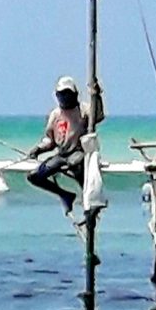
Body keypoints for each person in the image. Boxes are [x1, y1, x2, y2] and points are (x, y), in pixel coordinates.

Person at [25, 75, 103, 214]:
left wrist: (96, 95)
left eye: (67, 93)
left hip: (79, 152)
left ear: (75, 94)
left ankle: (88, 202)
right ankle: (64, 195)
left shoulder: (83, 109)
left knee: (75, 163)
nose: (64, 97)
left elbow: (98, 116)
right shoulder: (55, 115)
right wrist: (38, 149)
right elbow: (50, 141)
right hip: (61, 155)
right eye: (61, 94)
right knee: (34, 176)